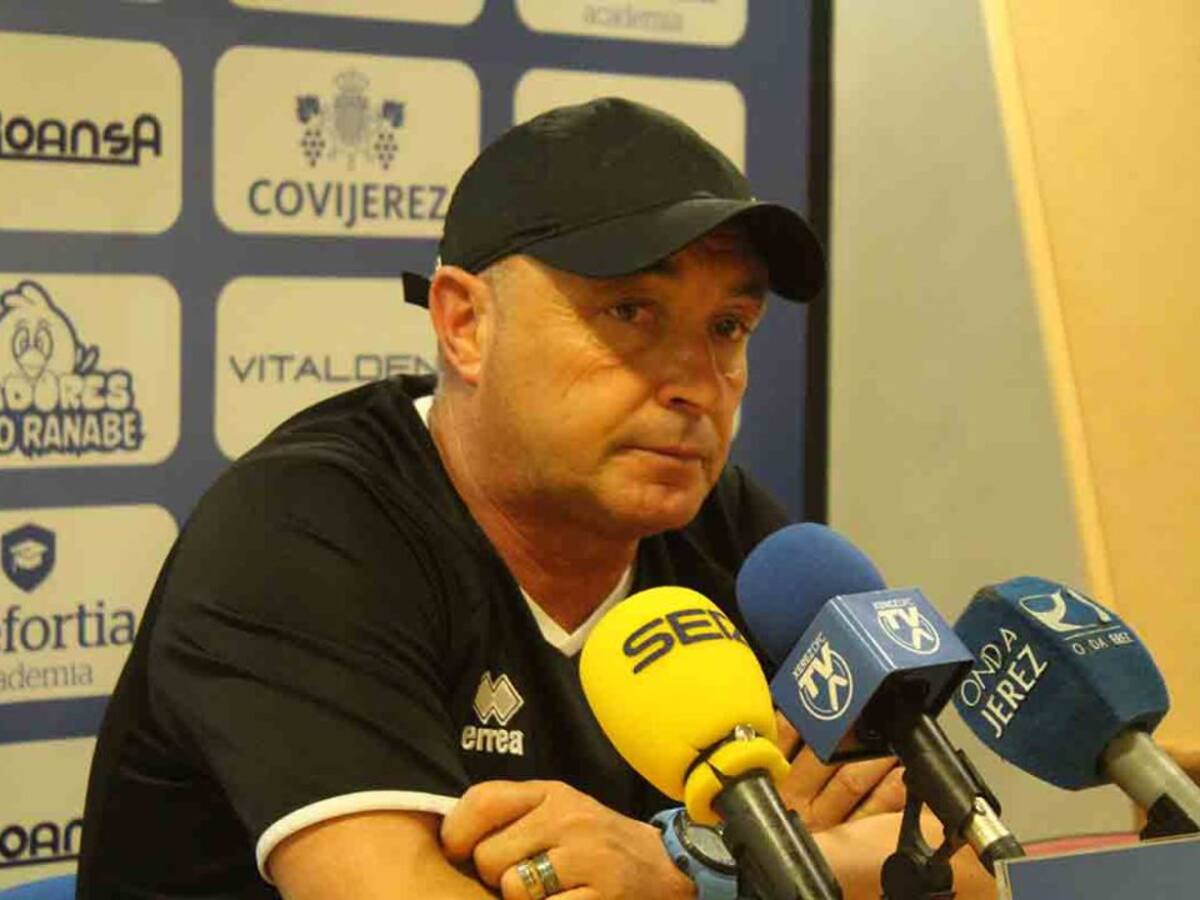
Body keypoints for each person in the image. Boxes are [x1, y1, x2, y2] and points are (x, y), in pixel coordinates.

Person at [78, 98, 991, 899]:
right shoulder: (303, 528)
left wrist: (689, 869)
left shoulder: (744, 546)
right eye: (629, 313)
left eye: (728, 326)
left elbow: (967, 867)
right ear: (464, 324)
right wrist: (775, 862)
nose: (697, 384)